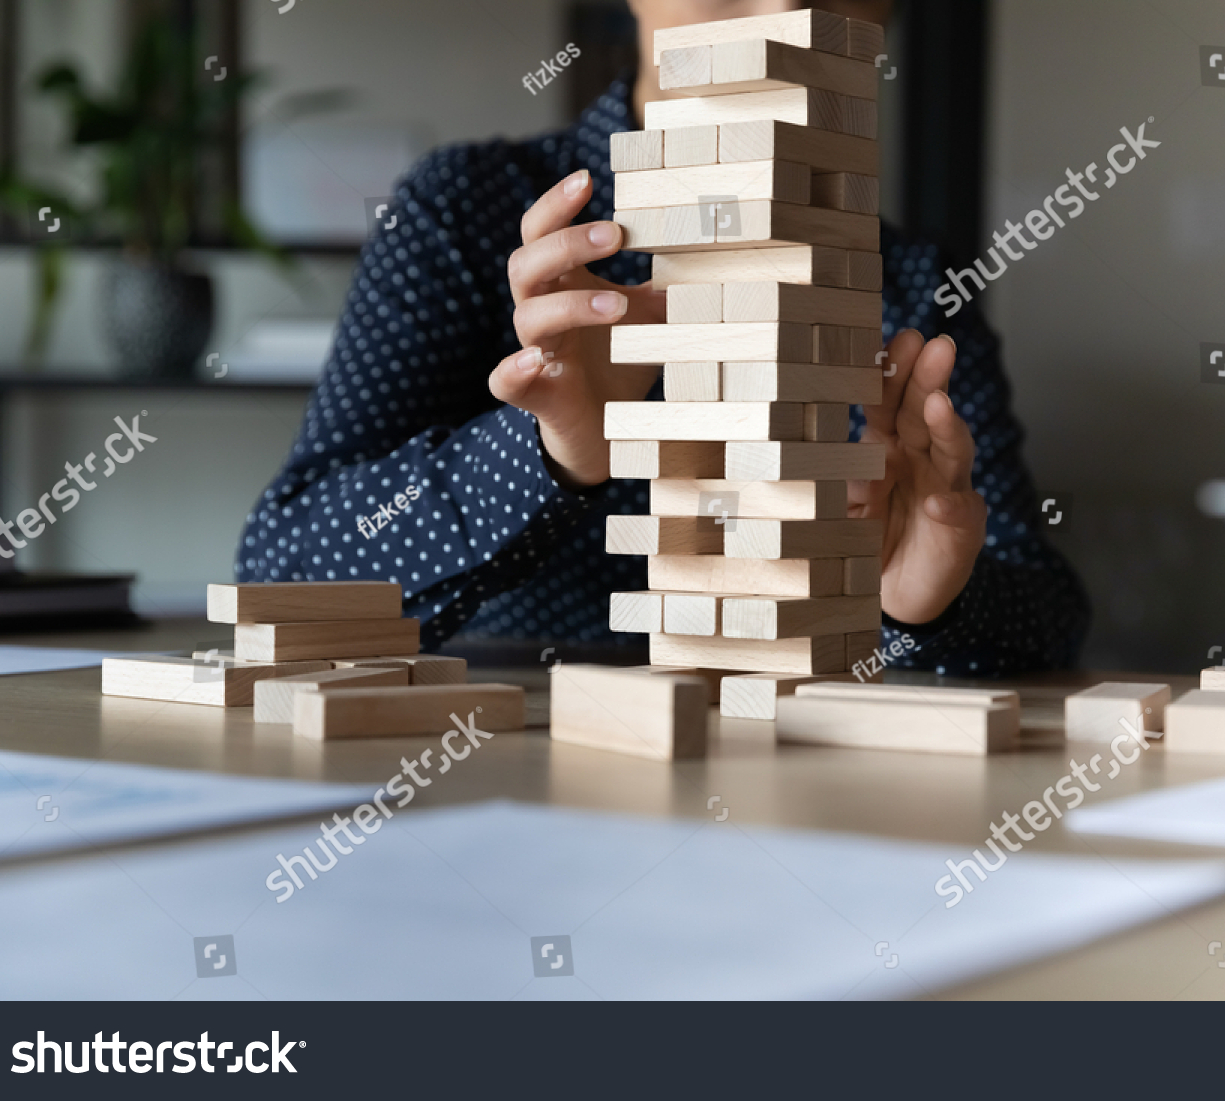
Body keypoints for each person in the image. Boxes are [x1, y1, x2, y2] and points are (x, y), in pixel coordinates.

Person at [234, 0, 1089, 677]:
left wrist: (928, 600)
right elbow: (279, 576)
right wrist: (552, 452)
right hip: (512, 761)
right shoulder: (463, 213)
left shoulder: (911, 283)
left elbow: (1049, 612)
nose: (779, 21)